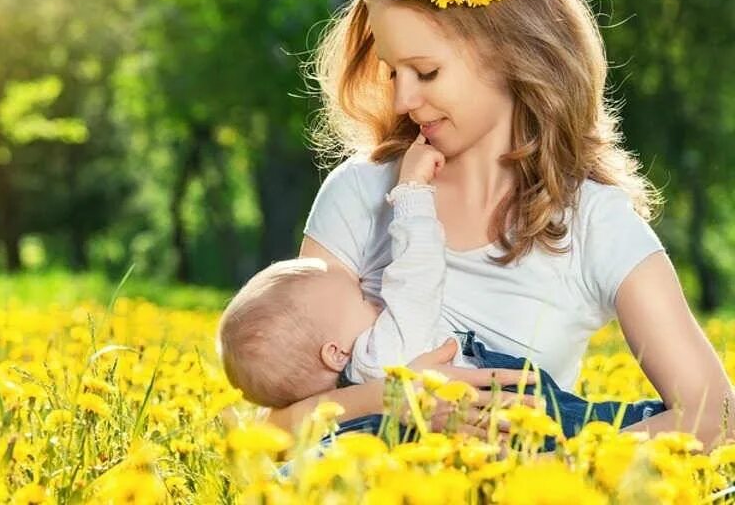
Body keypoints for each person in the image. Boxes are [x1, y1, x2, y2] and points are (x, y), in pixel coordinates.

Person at [261, 0, 735, 452]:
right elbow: (275, 429)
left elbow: (715, 417)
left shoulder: (595, 224)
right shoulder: (360, 193)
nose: (403, 99)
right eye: (393, 72)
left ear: (513, 54)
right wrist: (395, 399)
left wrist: (552, 474)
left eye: (427, 71)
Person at [218, 134, 666, 445]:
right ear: (335, 352)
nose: (372, 295)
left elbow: (275, 429)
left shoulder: (342, 400)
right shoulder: (383, 354)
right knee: (595, 425)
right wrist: (412, 195)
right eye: (359, 298)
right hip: (512, 410)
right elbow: (417, 277)